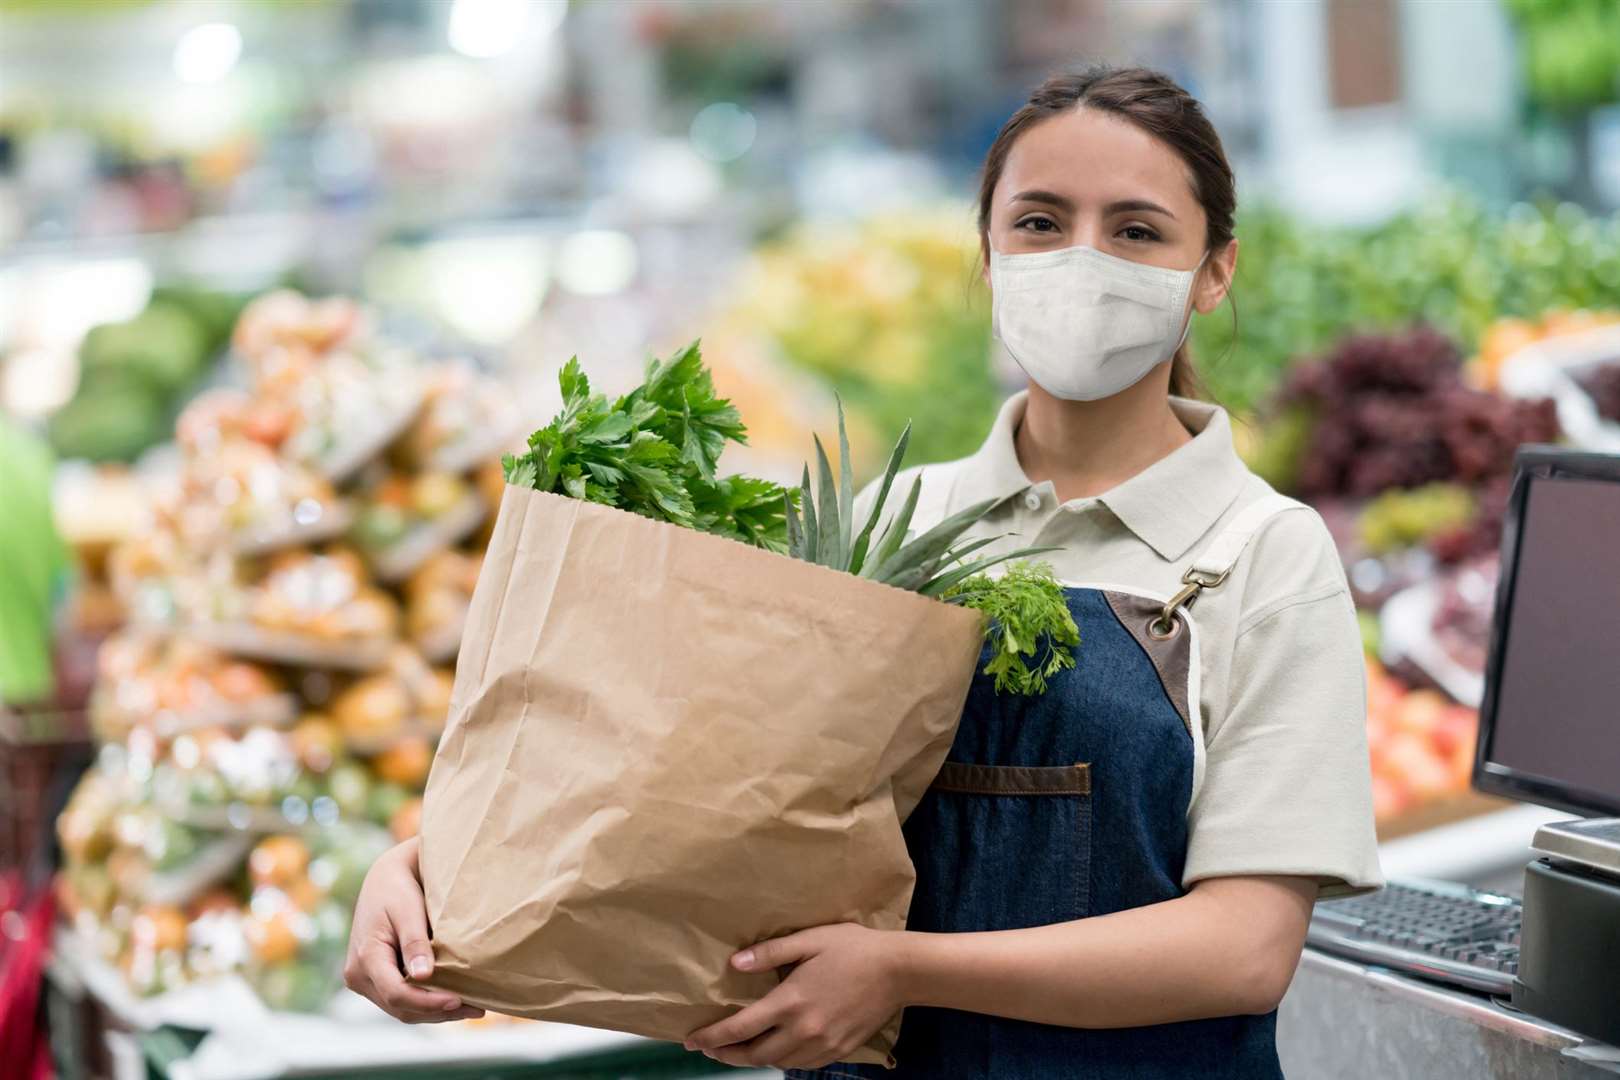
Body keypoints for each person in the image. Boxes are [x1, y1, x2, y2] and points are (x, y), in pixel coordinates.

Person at [343, 65, 1382, 1077]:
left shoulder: (1263, 554)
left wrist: (901, 972)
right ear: (986, 252)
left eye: (1136, 230)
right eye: (1039, 222)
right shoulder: (880, 528)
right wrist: (427, 873)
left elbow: (1243, 950)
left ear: (1215, 271)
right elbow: (673, 786)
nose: (1082, 258)